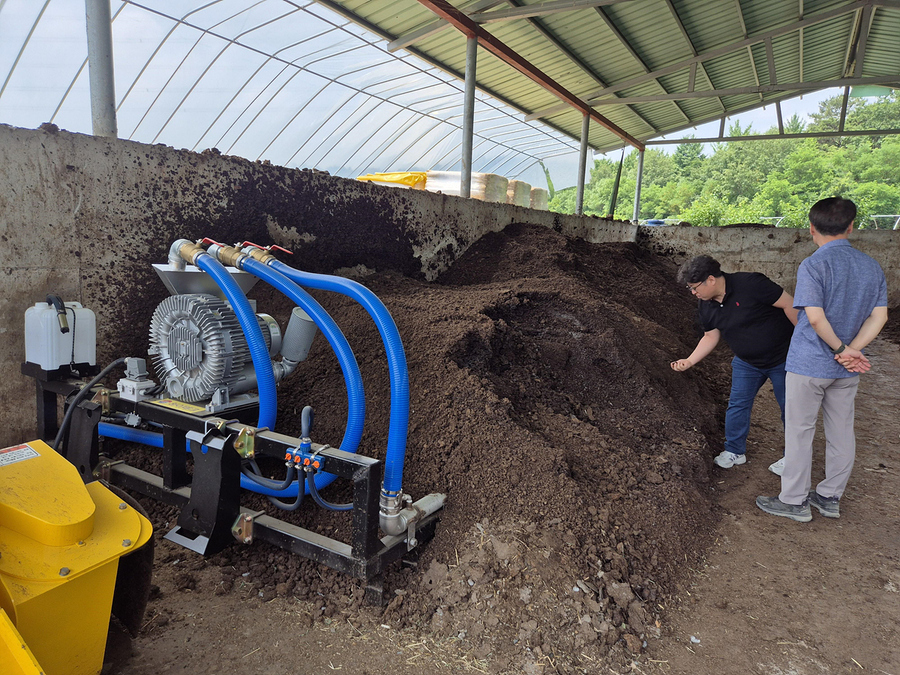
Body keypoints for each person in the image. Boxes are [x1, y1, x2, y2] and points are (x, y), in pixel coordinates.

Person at [756, 197, 888, 522]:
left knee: (800, 430)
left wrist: (840, 350)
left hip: (809, 363)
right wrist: (851, 351)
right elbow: (879, 317)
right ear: (851, 226)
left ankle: (794, 501)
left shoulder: (813, 265)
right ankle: (829, 497)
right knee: (842, 431)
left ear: (812, 228)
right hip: (845, 370)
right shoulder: (871, 266)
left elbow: (815, 319)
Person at [672, 255, 798, 472]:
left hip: (783, 358)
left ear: (710, 280)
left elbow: (789, 304)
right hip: (747, 362)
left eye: (694, 287)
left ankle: (794, 457)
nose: (693, 293)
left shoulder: (751, 284)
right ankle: (734, 451)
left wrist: (806, 343)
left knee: (791, 408)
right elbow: (710, 336)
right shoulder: (706, 306)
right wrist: (690, 360)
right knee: (738, 405)